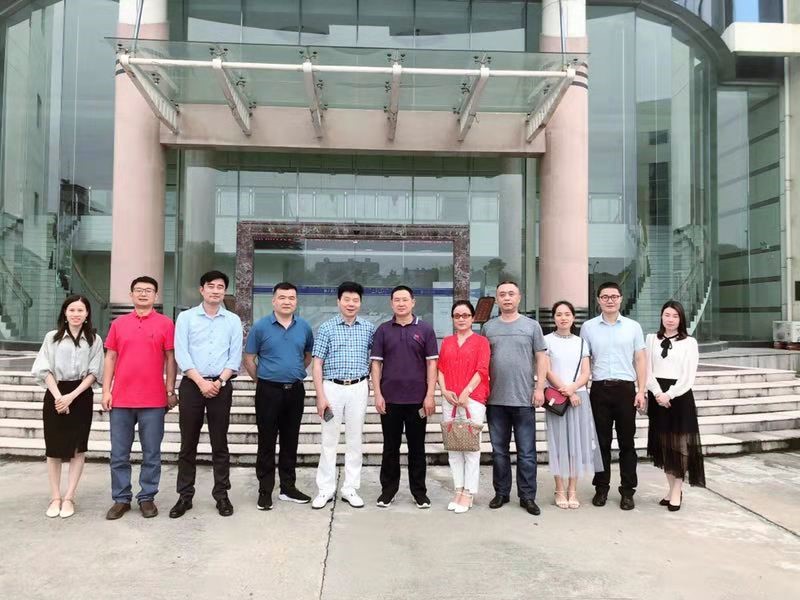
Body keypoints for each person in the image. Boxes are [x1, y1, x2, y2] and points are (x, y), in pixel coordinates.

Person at [102, 276, 177, 520]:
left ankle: (147, 497)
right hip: (121, 400)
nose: (143, 294)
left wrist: (170, 390)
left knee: (151, 453)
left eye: (148, 290)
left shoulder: (166, 324)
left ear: (156, 295)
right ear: (131, 294)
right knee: (119, 454)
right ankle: (121, 498)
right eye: (138, 290)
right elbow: (110, 357)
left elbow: (170, 359)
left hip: (153, 401)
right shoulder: (119, 324)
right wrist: (106, 390)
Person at [170, 270, 242, 519]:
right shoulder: (186, 318)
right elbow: (181, 353)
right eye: (211, 286)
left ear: (225, 291)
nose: (215, 290)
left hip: (221, 386)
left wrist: (219, 381)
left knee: (219, 443)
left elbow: (235, 356)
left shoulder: (232, 320)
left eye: (220, 287)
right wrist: (201, 382)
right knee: (187, 443)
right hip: (192, 385)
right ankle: (185, 496)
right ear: (202, 290)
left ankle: (221, 495)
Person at [31, 295, 104, 518]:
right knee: (53, 448)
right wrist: (59, 397)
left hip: (80, 394)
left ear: (87, 314)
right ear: (65, 312)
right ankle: (55, 497)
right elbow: (44, 369)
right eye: (71, 310)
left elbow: (94, 372)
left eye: (80, 310)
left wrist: (71, 397)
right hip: (55, 392)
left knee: (77, 448)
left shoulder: (94, 340)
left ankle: (69, 497)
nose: (76, 314)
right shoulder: (51, 337)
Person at [243, 282, 314, 511]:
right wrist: (262, 380)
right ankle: (265, 491)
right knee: (266, 441)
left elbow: (307, 356)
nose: (287, 302)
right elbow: (249, 359)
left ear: (296, 301)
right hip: (268, 391)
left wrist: (292, 372)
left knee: (290, 441)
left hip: (295, 391)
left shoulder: (304, 327)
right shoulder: (260, 327)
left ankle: (288, 487)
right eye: (282, 297)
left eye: (291, 298)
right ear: (273, 301)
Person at [482, 281, 549, 516]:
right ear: (497, 299)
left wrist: (539, 388)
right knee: (499, 452)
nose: (507, 298)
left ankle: (527, 496)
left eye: (511, 294)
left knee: (527, 453)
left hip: (523, 399)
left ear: (519, 297)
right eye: (502, 294)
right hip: (495, 400)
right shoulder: (488, 328)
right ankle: (501, 493)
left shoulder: (532, 326)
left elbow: (541, 358)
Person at [580, 282, 647, 511]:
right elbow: (585, 361)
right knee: (601, 443)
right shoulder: (588, 327)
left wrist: (641, 390)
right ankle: (601, 488)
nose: (610, 300)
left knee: (627, 443)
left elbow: (640, 359)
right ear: (598, 300)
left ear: (620, 298)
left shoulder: (633, 327)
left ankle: (628, 491)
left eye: (614, 296)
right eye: (605, 296)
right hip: (599, 389)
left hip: (626, 390)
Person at [371, 285, 438, 509]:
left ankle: (419, 492)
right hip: (390, 399)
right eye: (397, 300)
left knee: (417, 448)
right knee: (390, 448)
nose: (401, 303)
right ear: (391, 303)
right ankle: (388, 491)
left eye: (405, 299)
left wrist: (430, 395)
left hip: (417, 400)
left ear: (413, 302)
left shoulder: (425, 329)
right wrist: (377, 393)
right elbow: (376, 364)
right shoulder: (383, 330)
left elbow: (432, 364)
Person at [311, 281, 375, 509]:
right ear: (338, 301)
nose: (351, 304)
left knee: (355, 440)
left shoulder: (368, 328)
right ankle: (325, 489)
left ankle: (350, 488)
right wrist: (320, 395)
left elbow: (376, 360)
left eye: (355, 300)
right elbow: (317, 364)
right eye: (346, 299)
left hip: (358, 387)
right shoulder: (326, 328)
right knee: (328, 440)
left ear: (360, 303)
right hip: (332, 388)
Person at [646, 300, 705, 512]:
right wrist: (657, 393)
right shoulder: (651, 339)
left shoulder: (690, 342)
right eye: (667, 315)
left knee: (679, 446)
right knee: (663, 445)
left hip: (679, 396)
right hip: (657, 394)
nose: (670, 319)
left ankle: (677, 490)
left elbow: (688, 376)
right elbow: (646, 370)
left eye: (675, 316)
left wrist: (669, 394)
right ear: (661, 317)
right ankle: (673, 490)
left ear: (681, 319)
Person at [543, 300, 602, 510]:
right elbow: (547, 370)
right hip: (557, 398)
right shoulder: (546, 340)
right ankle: (559, 488)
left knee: (576, 445)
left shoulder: (581, 342)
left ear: (573, 318)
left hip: (579, 398)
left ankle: (572, 489)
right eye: (559, 314)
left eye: (567, 314)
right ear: (554, 317)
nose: (563, 318)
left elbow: (586, 372)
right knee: (558, 445)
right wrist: (566, 391)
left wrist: (574, 388)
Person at [437, 300, 490, 514]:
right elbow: (440, 368)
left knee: (470, 447)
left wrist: (467, 391)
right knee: (453, 447)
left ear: (473, 318)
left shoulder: (481, 342)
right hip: (449, 399)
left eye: (465, 315)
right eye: (457, 315)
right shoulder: (447, 342)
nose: (461, 319)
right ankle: (458, 489)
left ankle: (469, 492)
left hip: (473, 399)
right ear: (452, 318)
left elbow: (482, 369)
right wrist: (444, 390)